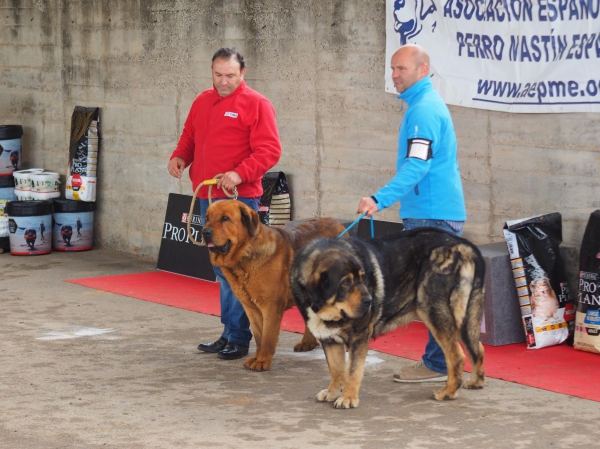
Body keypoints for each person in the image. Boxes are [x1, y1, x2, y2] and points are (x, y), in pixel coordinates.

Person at [356, 44, 467, 382]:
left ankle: (438, 364)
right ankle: (443, 360)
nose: (394, 75)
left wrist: (379, 198)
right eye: (392, 69)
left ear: (422, 69)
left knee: (432, 295)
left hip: (432, 218)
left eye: (401, 69)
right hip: (432, 214)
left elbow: (416, 166)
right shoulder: (421, 106)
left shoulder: (424, 111)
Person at [168, 47, 282, 361]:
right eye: (218, 75)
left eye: (230, 75)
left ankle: (241, 337)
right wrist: (181, 156)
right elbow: (190, 135)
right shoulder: (203, 100)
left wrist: (239, 173)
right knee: (222, 270)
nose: (224, 81)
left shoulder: (257, 104)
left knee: (239, 270)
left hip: (238, 200)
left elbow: (270, 150)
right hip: (208, 199)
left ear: (242, 74)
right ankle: (229, 332)